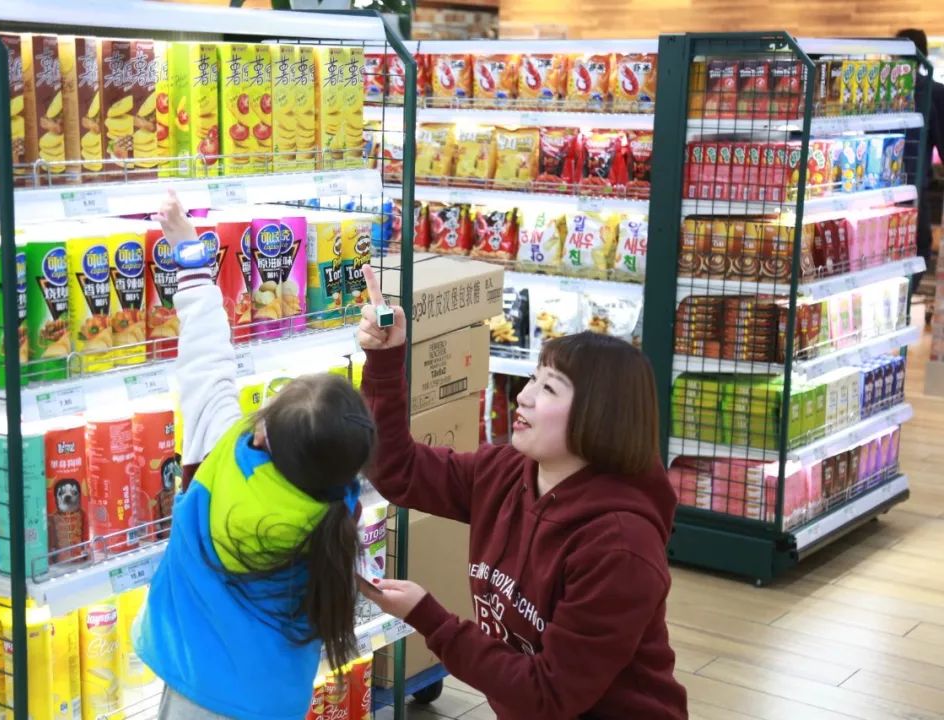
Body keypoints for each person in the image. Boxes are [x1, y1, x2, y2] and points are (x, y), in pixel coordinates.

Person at [356, 264, 688, 719]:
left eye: (548, 388)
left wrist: (428, 617)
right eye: (533, 379)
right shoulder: (508, 472)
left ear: (600, 415)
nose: (523, 397)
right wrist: (385, 360)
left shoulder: (619, 546)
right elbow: (400, 471)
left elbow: (548, 694)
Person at [134, 191, 377, 720]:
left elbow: (206, 359)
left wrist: (189, 251)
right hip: (276, 702)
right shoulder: (338, 511)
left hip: (197, 692)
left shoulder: (221, 453)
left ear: (262, 435)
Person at [897, 28, 944, 295]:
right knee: (918, 250)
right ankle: (901, 304)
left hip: (876, 189)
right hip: (915, 188)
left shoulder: (884, 93)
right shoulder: (934, 92)